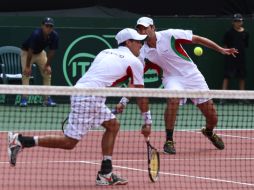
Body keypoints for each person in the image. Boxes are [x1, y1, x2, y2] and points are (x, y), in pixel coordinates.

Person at [8, 28, 152, 186]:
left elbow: (111, 80)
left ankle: (106, 173)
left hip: (85, 93)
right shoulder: (134, 62)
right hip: (89, 98)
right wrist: (147, 122)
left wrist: (122, 101)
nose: (141, 44)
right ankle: (21, 141)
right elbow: (141, 95)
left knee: (113, 125)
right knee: (69, 142)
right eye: (138, 41)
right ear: (128, 42)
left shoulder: (105, 52)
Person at [136, 17, 238, 154]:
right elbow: (137, 76)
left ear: (153, 28)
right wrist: (124, 99)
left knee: (212, 117)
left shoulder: (170, 35)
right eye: (140, 29)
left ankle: (208, 131)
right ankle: (169, 140)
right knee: (173, 99)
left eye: (145, 28)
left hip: (192, 75)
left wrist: (220, 49)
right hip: (171, 78)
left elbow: (198, 39)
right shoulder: (142, 52)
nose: (142, 31)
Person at [20, 17, 59, 107]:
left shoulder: (54, 36)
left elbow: (52, 51)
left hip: (40, 53)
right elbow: (30, 51)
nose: (48, 28)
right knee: (26, 74)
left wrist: (47, 65)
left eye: (50, 26)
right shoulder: (36, 34)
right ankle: (24, 98)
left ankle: (47, 99)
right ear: (42, 26)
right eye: (47, 26)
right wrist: (27, 66)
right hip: (27, 53)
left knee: (47, 73)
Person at [221, 13, 249, 94]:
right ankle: (223, 97)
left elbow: (245, 45)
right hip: (230, 59)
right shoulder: (228, 32)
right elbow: (225, 45)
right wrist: (227, 52)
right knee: (227, 77)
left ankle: (242, 98)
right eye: (236, 21)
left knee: (241, 77)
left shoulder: (246, 33)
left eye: (239, 21)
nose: (238, 23)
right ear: (233, 22)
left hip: (241, 59)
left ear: (242, 22)